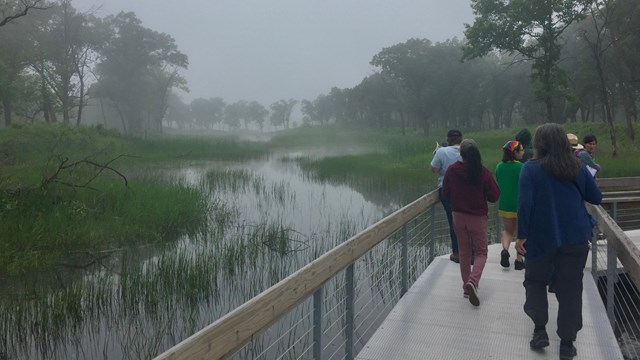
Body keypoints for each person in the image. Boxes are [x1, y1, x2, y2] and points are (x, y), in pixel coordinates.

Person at [515, 124, 602, 360]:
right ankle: (567, 344)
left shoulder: (530, 170)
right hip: (575, 237)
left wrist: (521, 236)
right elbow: (596, 197)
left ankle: (540, 330)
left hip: (540, 238)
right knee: (571, 289)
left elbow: (524, 206)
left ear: (539, 144)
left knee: (535, 281)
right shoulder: (579, 167)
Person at [442, 139, 500, 306]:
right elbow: (495, 195)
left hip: (458, 217)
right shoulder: (483, 172)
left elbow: (445, 193)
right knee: (481, 253)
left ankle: (467, 289)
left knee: (464, 253)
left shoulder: (452, 171)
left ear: (461, 154)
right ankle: (473, 282)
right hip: (477, 218)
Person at [431, 129, 463, 263]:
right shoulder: (467, 150)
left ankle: (457, 253)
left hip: (447, 190)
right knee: (467, 219)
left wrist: (437, 153)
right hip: (466, 190)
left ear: (448, 139)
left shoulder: (441, 152)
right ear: (461, 139)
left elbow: (434, 170)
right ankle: (471, 251)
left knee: (453, 221)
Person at [495, 140, 525, 270]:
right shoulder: (522, 167)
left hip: (504, 203)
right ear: (515, 152)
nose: (523, 152)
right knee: (522, 232)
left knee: (508, 230)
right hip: (519, 204)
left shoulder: (499, 167)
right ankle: (519, 260)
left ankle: (505, 250)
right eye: (521, 150)